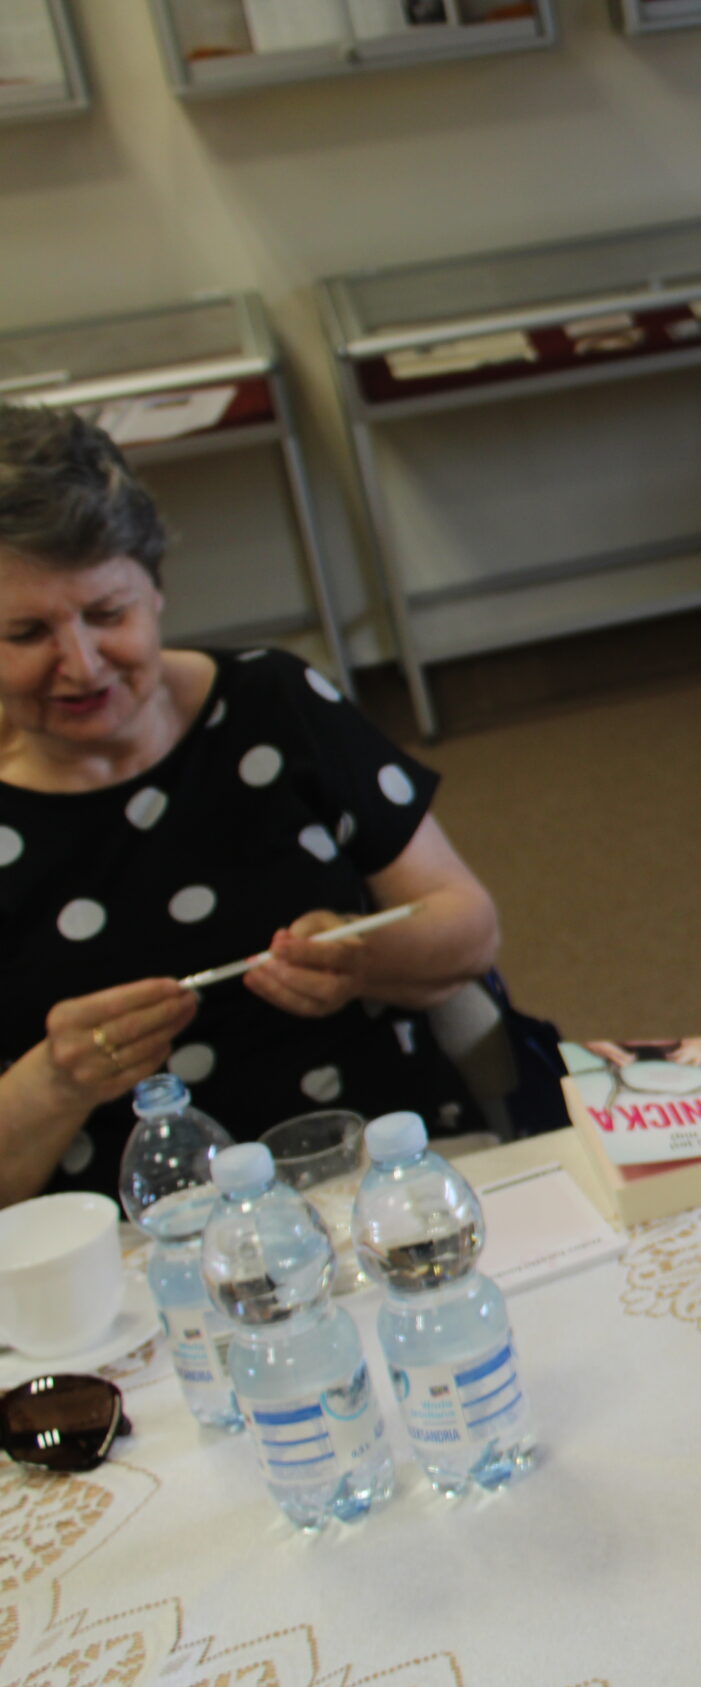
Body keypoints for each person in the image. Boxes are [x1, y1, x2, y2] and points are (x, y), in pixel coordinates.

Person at [0, 404, 503, 1206]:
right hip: (128, 1233)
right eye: (26, 633)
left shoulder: (274, 703)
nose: (83, 665)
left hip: (376, 1173)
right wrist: (57, 1081)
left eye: (108, 614)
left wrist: (363, 958)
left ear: (157, 591)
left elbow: (469, 928)